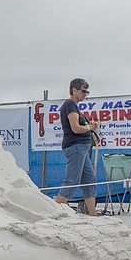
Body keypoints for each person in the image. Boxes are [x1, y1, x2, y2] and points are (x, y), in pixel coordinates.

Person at [55, 78, 101, 217]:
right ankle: (54, 212)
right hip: (76, 147)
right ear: (74, 90)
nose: (85, 94)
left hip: (81, 148)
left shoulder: (73, 106)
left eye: (87, 91)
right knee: (72, 180)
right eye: (83, 91)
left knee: (89, 180)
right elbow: (76, 128)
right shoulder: (70, 105)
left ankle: (93, 215)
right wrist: (90, 127)